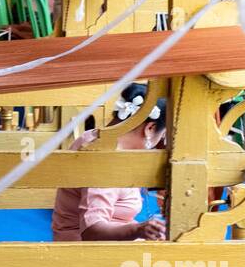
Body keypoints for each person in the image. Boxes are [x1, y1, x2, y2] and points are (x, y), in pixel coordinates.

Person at [51, 83, 169, 242]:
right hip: (86, 249)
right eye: (161, 136)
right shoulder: (104, 158)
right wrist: (137, 230)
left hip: (106, 237)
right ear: (150, 128)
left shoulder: (93, 137)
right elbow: (91, 231)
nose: (159, 142)